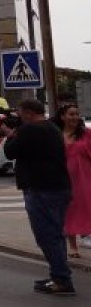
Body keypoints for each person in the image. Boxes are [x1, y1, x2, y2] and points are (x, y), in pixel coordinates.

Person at [2, 99, 74, 295]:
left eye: (21, 113)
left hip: (41, 188)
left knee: (46, 235)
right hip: (59, 186)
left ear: (29, 113)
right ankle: (58, 275)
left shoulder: (30, 130)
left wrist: (10, 135)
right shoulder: (52, 128)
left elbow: (10, 153)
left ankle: (61, 279)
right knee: (56, 234)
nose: (20, 117)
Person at [57, 103, 91, 258]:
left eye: (77, 114)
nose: (75, 117)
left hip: (86, 178)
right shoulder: (57, 135)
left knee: (88, 208)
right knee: (69, 211)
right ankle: (73, 246)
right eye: (71, 114)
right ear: (63, 117)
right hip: (65, 180)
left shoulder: (87, 134)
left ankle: (86, 236)